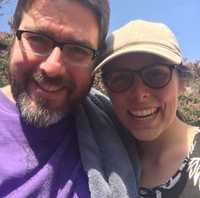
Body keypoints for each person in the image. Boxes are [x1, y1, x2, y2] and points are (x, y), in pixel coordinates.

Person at [0, 1, 139, 197]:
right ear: (14, 33)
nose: (52, 67)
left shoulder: (112, 127)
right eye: (37, 39)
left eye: (78, 50)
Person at [97, 19, 200, 197]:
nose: (139, 94)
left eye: (156, 75)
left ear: (182, 82)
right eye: (121, 79)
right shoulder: (102, 159)